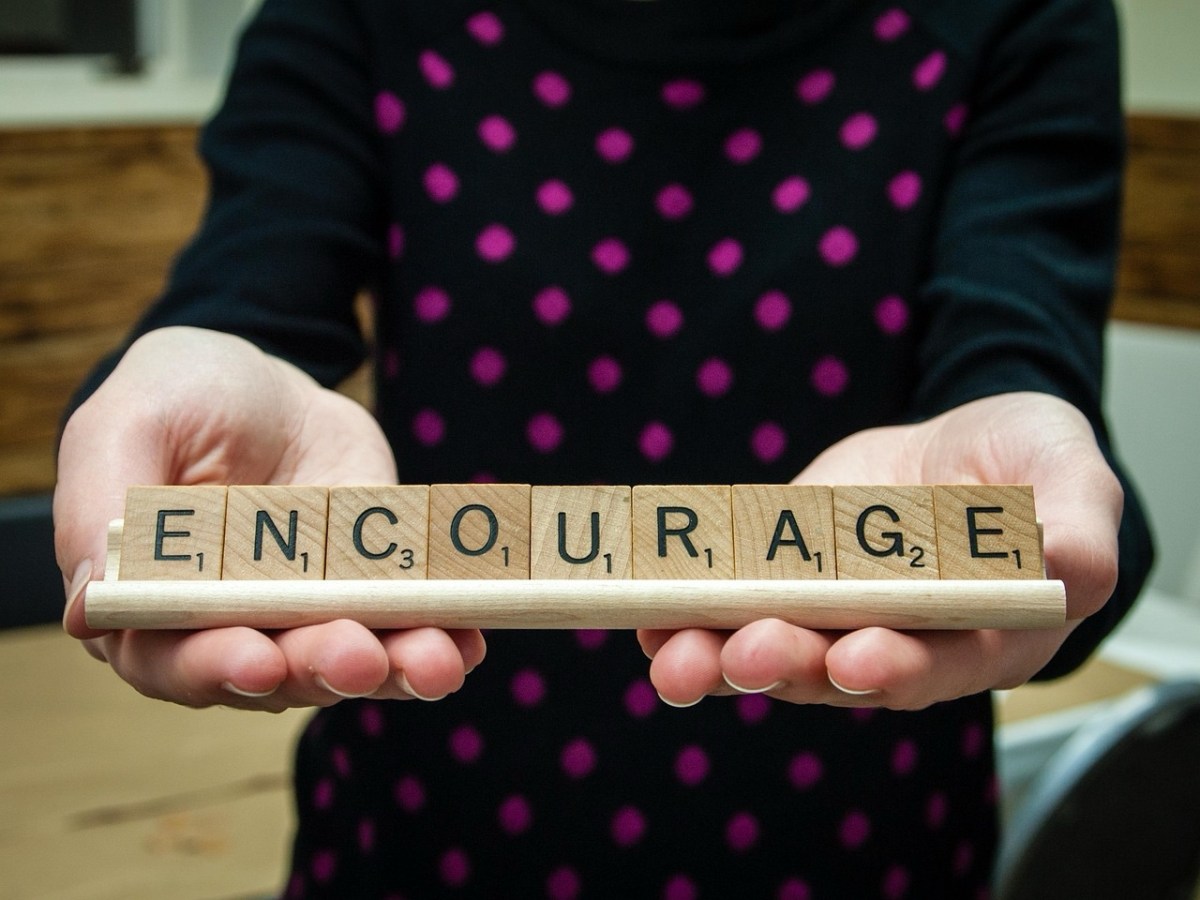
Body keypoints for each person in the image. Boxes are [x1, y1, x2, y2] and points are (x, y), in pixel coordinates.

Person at [55, 0, 1152, 896]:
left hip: (862, 828)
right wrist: (195, 362)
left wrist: (1034, 483)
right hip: (423, 820)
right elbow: (254, 277)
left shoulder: (1019, 16)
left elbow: (1018, 346)